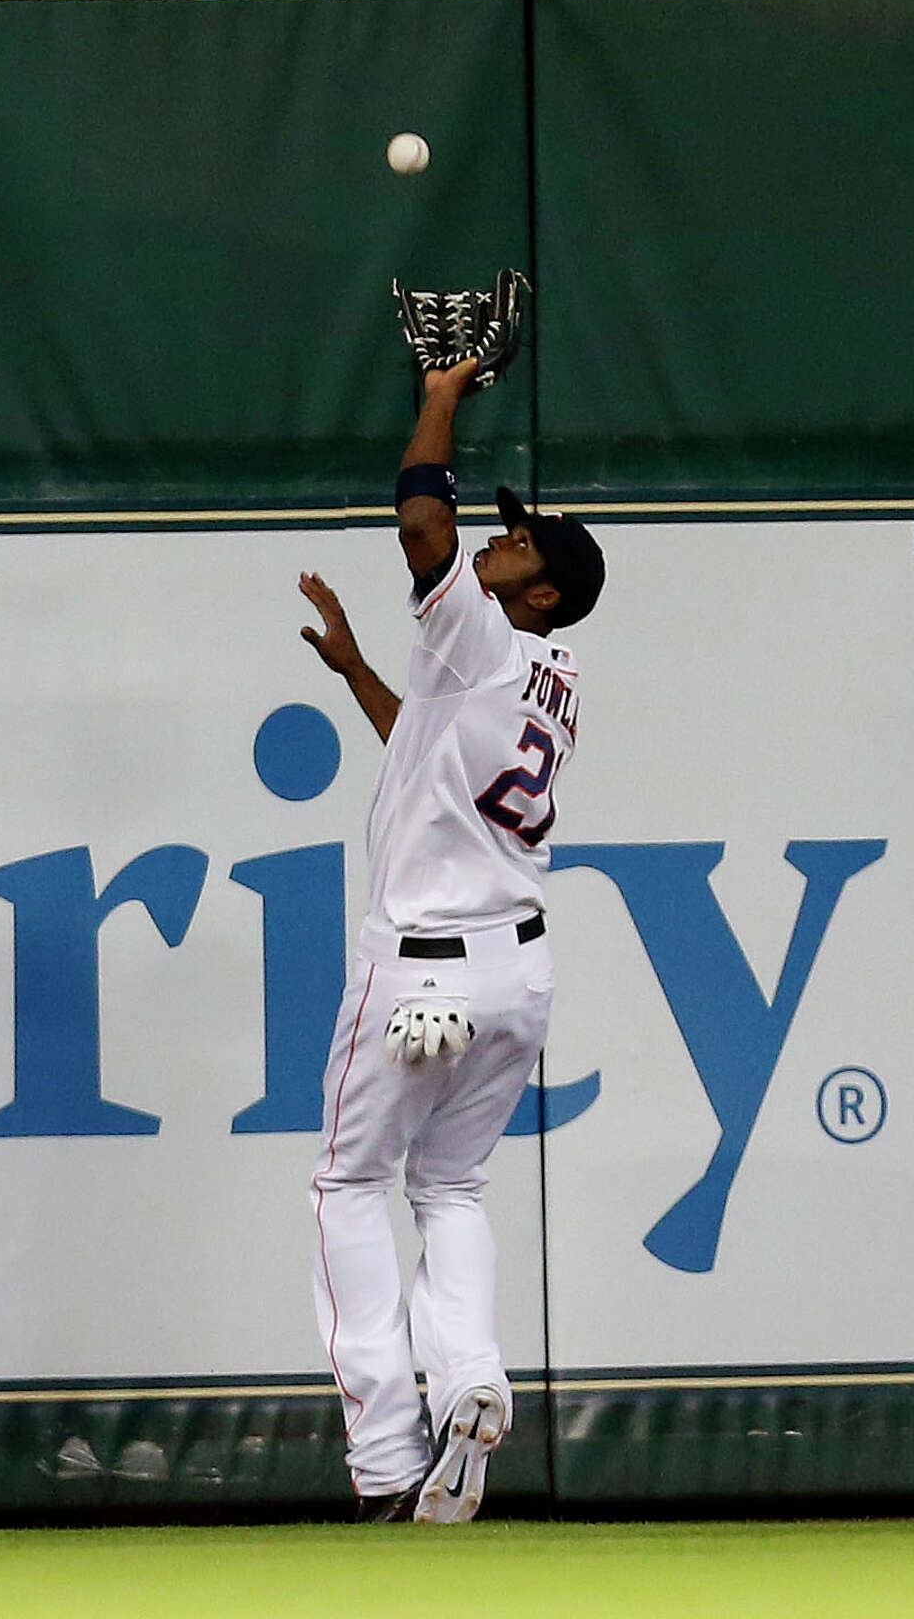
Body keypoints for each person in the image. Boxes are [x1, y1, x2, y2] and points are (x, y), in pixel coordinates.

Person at [299, 357, 605, 1523]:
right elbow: (426, 753)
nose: (504, 540)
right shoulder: (546, 671)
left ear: (538, 597)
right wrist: (360, 672)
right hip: (516, 970)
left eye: (524, 546)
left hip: (418, 963)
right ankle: (471, 1378)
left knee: (345, 1181)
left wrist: (438, 392)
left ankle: (382, 1455)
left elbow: (424, 511)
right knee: (455, 1184)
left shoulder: (482, 631)